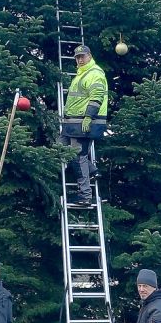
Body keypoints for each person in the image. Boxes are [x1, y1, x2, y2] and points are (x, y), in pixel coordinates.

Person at [60, 44, 109, 205]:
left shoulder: (94, 74)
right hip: (72, 123)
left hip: (84, 123)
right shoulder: (82, 74)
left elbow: (97, 96)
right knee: (61, 148)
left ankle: (85, 196)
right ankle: (93, 170)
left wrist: (89, 116)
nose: (80, 59)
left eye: (83, 56)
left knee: (78, 157)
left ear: (90, 56)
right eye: (77, 57)